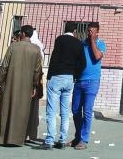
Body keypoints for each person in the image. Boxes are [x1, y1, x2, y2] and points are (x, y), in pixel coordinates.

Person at [0, 30, 43, 146]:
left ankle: (0, 138)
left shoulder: (13, 47)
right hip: (27, 86)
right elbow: (37, 70)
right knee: (21, 112)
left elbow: (4, 66)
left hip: (10, 83)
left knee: (5, 110)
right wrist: (34, 85)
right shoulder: (36, 49)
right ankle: (16, 139)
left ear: (23, 34)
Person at [43, 22, 86, 150]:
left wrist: (49, 76)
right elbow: (82, 63)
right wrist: (75, 75)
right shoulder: (78, 43)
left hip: (57, 76)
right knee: (65, 111)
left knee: (51, 110)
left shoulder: (60, 40)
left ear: (64, 29)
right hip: (69, 78)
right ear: (74, 31)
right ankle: (62, 140)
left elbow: (54, 58)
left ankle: (50, 140)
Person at [71, 22, 105, 151]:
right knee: (75, 110)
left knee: (87, 111)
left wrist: (92, 41)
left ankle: (83, 140)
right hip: (79, 81)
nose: (89, 33)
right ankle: (78, 136)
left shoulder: (101, 44)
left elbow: (97, 57)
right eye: (88, 31)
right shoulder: (82, 44)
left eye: (92, 31)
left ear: (97, 32)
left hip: (92, 82)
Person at [21, 25, 44, 143]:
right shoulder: (38, 48)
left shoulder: (24, 47)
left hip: (23, 81)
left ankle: (21, 133)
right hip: (34, 82)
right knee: (32, 110)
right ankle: (30, 133)